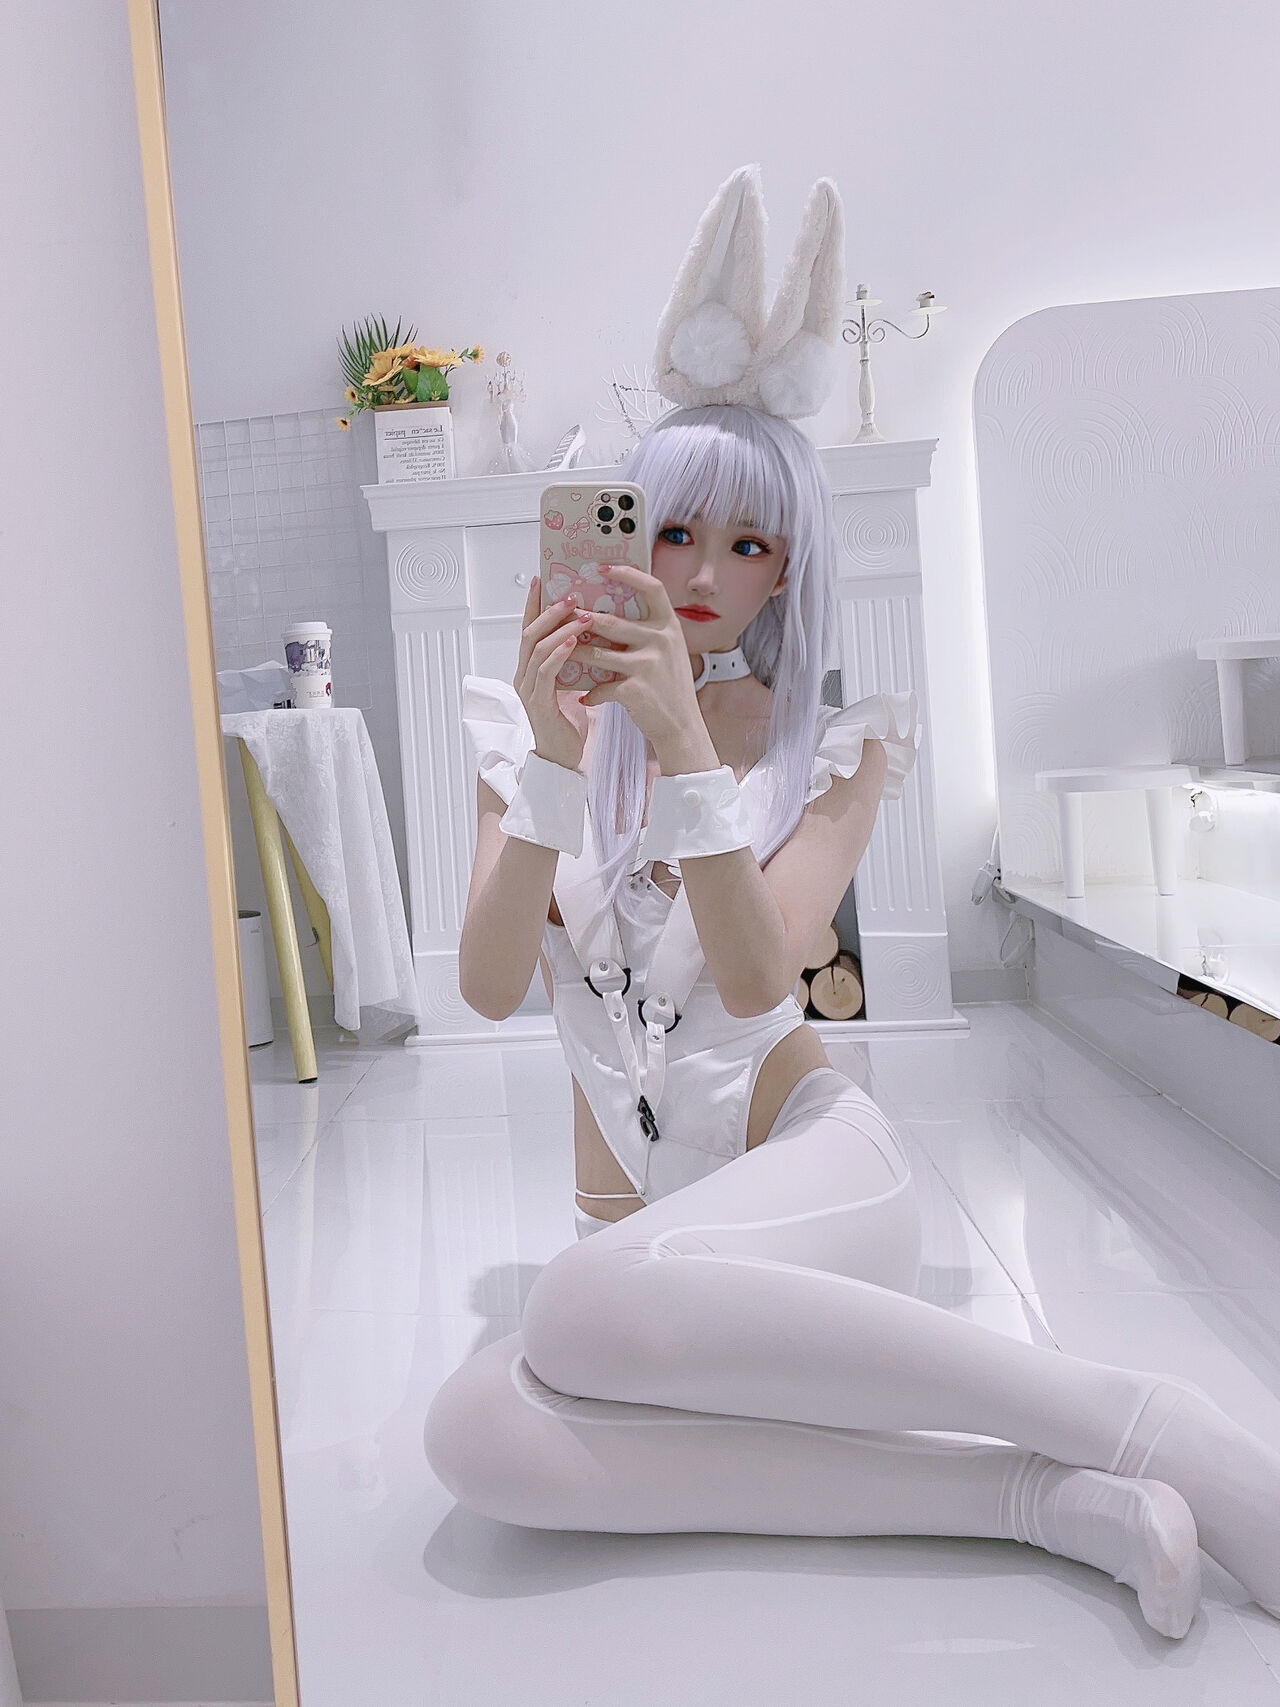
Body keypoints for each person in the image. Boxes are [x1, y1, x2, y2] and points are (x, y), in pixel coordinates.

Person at [423, 168, 1280, 1641]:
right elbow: (492, 987)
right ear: (621, 536)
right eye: (674, 531)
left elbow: (763, 981)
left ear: (789, 575)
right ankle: (1044, 1500)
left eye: (749, 546)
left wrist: (688, 750)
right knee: (474, 1435)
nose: (703, 572)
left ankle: (1152, 1423)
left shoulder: (837, 749)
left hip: (820, 1181)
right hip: (641, 1238)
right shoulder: (523, 737)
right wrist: (564, 758)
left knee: (568, 1317)